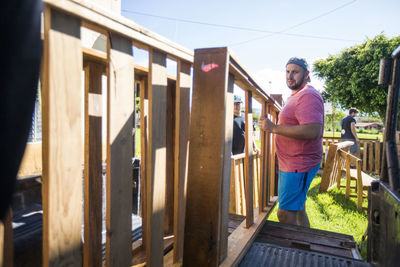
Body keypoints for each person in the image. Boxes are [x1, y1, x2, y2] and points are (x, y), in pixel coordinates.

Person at [258, 57, 324, 227]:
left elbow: (312, 131)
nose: (290, 76)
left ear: (306, 74)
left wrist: (273, 128)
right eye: (287, 71)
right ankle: (304, 246)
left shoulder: (308, 95)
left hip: (299, 165)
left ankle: (296, 250)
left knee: (285, 213)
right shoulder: (296, 96)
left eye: (295, 72)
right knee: (299, 208)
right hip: (291, 164)